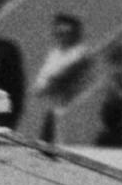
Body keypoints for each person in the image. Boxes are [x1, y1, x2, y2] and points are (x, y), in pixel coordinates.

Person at [29, 11, 94, 143]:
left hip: (70, 108)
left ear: (75, 33)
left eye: (66, 33)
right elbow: (43, 80)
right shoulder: (55, 53)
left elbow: (60, 79)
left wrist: (48, 85)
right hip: (53, 107)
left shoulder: (81, 54)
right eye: (59, 33)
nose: (62, 36)